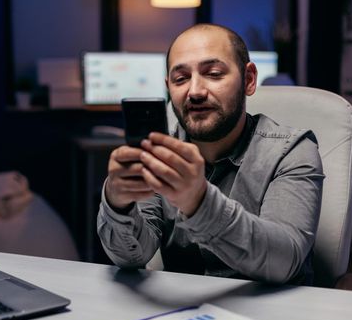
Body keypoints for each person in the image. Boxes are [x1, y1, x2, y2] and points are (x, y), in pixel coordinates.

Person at [97, 24, 324, 285]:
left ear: (249, 79)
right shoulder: (160, 156)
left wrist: (199, 201)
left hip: (273, 315)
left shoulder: (291, 151)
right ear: (169, 88)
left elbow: (284, 262)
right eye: (181, 79)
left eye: (213, 74)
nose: (195, 92)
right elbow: (132, 258)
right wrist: (117, 202)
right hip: (181, 313)